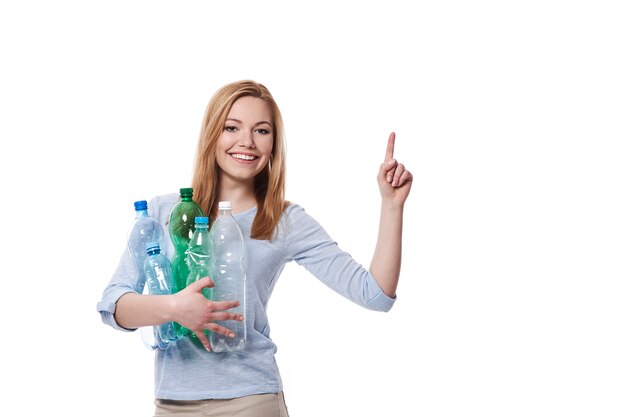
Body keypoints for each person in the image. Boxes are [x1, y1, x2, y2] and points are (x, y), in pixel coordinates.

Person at [97, 80, 412, 416]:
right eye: (232, 128)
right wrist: (174, 308)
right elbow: (113, 305)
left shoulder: (284, 220)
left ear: (274, 144)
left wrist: (391, 206)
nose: (246, 142)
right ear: (212, 135)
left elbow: (374, 294)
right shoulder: (164, 212)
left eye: (262, 131)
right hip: (173, 402)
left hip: (252, 401)